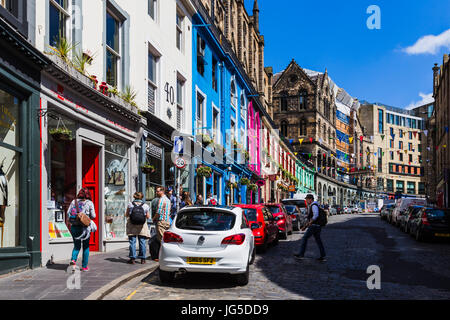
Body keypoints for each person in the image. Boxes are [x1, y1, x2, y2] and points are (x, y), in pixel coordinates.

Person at [67, 188, 96, 272]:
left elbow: (68, 213)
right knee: (86, 247)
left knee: (76, 246)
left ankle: (73, 261)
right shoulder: (89, 203)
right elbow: (93, 216)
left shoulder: (73, 202)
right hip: (85, 228)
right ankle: (84, 266)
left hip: (74, 227)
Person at [294, 194, 326, 262]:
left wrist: (310, 223)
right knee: (318, 241)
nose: (306, 200)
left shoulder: (313, 205)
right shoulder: (313, 205)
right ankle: (323, 256)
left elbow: (315, 215)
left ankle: (301, 254)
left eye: (307, 199)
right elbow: (311, 215)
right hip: (317, 226)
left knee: (304, 238)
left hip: (314, 226)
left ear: (310, 199)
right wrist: (304, 216)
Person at [125, 192, 151, 264]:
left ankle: (132, 259)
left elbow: (126, 215)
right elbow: (148, 217)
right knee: (142, 241)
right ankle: (143, 259)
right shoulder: (145, 205)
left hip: (132, 225)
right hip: (142, 225)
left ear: (134, 196)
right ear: (141, 197)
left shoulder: (130, 204)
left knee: (132, 242)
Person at [152, 186, 171, 257]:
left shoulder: (161, 199)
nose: (156, 192)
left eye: (158, 191)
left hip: (161, 221)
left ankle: (164, 255)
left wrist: (154, 218)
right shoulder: (168, 199)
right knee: (165, 238)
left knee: (162, 239)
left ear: (162, 191)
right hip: (167, 221)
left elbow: (159, 211)